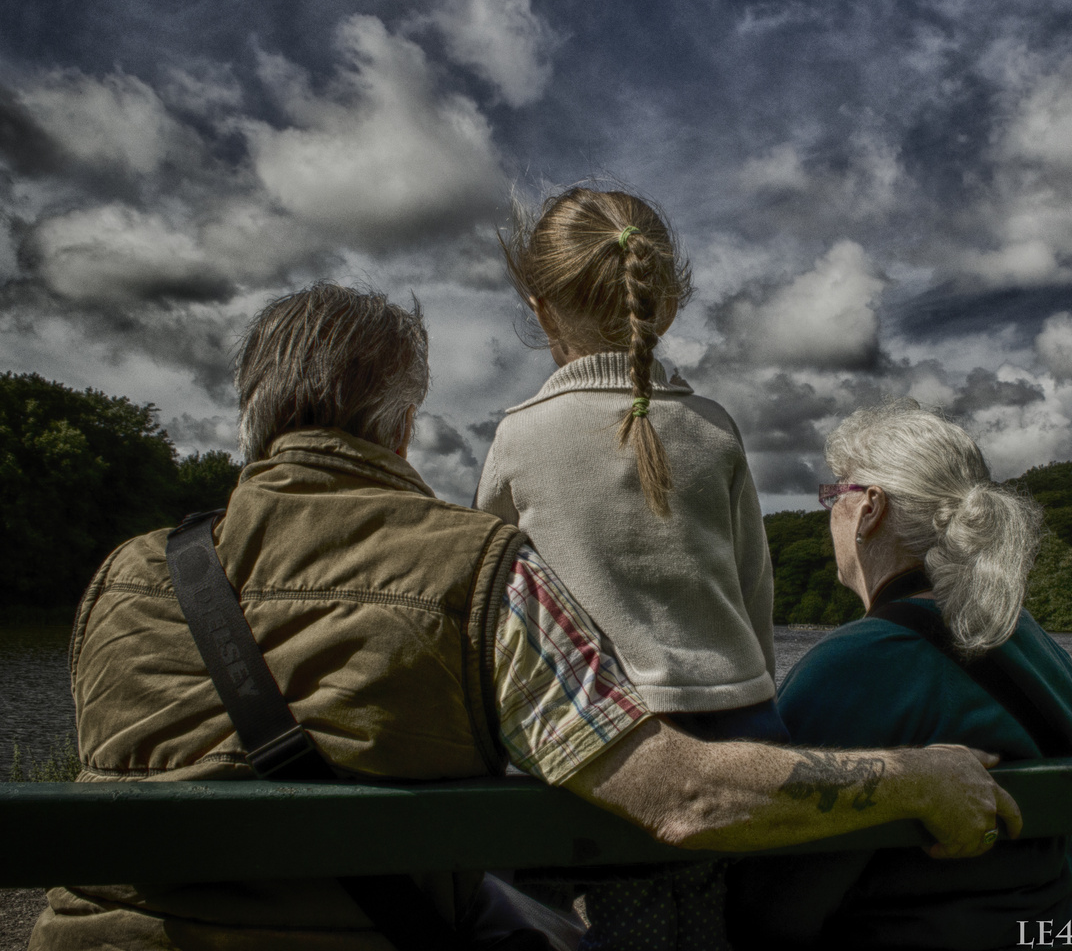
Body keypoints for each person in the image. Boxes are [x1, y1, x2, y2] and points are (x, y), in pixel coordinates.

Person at [28, 286, 1019, 951]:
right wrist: (911, 775)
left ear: (252, 412)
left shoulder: (124, 575)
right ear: (407, 419)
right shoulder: (475, 571)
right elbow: (681, 795)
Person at [473, 187, 784, 948]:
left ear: (540, 308)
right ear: (667, 302)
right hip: (730, 733)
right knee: (691, 922)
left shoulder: (520, 437)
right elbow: (755, 596)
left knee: (519, 912)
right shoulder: (715, 428)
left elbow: (485, 599)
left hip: (590, 749)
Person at [729, 400, 1072, 950]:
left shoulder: (858, 663)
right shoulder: (1033, 642)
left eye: (834, 495)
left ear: (871, 507)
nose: (829, 511)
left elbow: (771, 905)